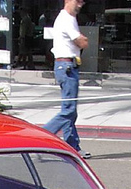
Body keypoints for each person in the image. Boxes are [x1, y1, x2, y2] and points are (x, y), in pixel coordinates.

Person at [43, 0, 89, 157]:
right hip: (66, 66)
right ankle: (42, 137)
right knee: (68, 110)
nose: (81, 4)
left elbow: (81, 42)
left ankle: (72, 146)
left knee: (70, 110)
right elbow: (82, 42)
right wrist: (82, 40)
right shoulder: (65, 19)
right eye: (78, 1)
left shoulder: (70, 19)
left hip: (70, 66)